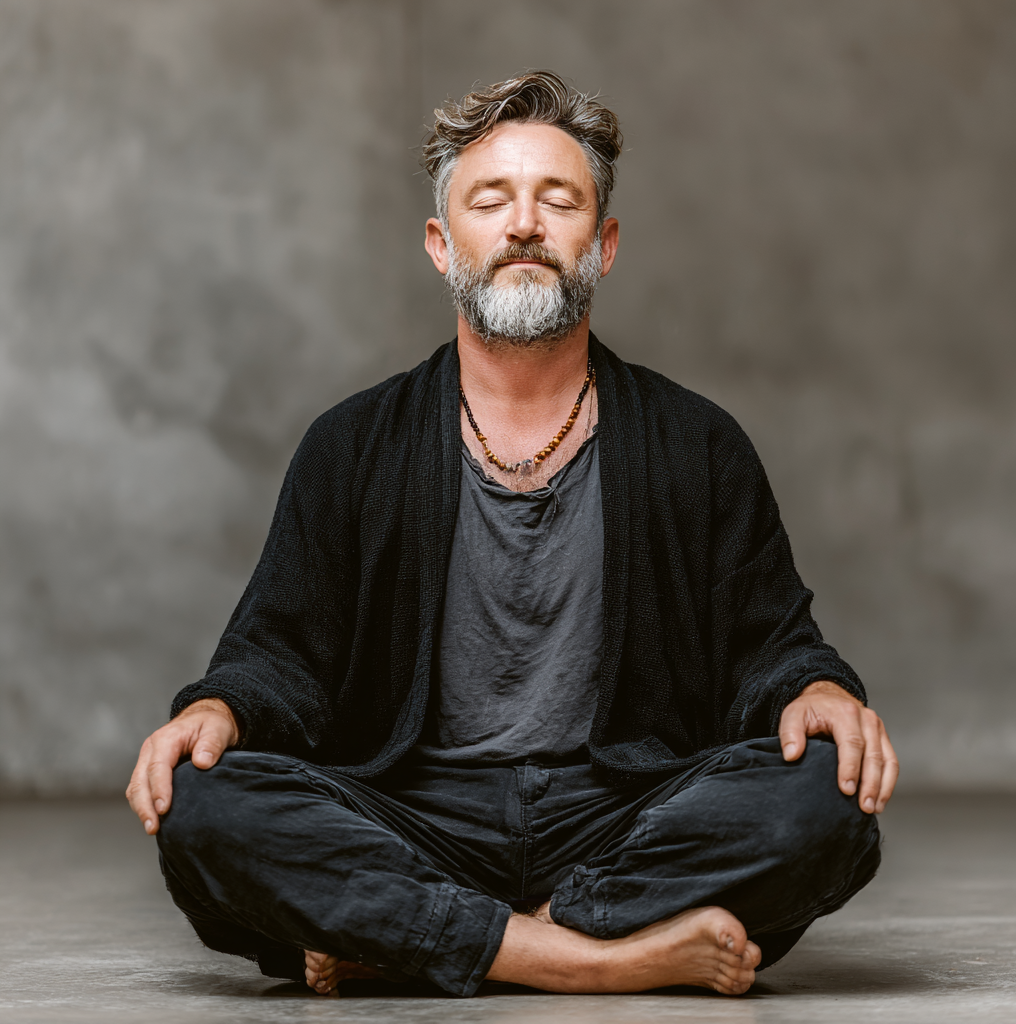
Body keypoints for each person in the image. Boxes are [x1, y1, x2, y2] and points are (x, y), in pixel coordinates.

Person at [126, 71, 898, 999]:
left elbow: (770, 644)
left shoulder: (697, 444)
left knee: (825, 795)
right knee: (203, 801)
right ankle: (605, 958)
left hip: (624, 810)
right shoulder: (352, 445)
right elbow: (279, 655)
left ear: (602, 245)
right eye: (490, 201)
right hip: (412, 812)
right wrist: (219, 710)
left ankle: (425, 943)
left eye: (558, 200)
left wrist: (813, 689)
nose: (524, 224)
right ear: (441, 244)